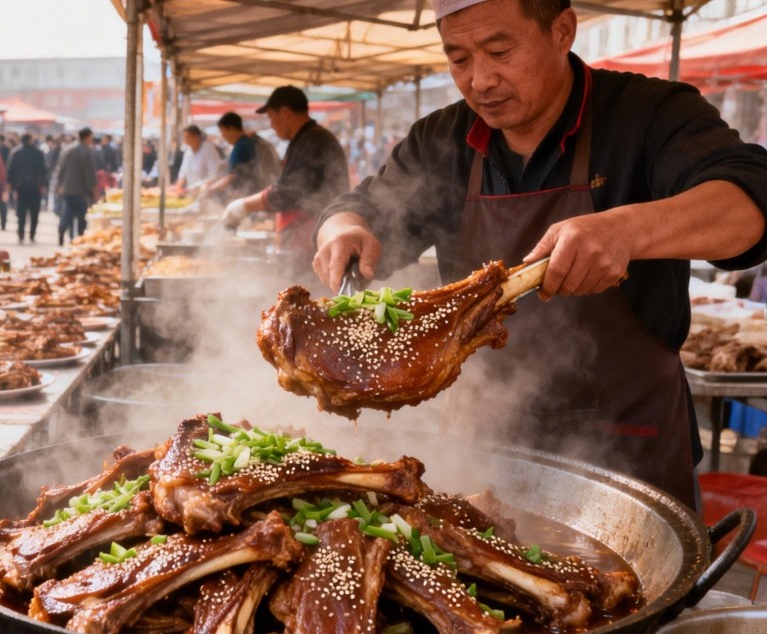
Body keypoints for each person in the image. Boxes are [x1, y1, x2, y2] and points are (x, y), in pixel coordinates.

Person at [312, 0, 767, 508]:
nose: (480, 80)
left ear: (562, 30)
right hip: (482, 445)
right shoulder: (440, 140)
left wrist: (629, 228)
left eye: (500, 51)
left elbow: (751, 199)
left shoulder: (650, 114)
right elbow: (362, 209)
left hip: (627, 452)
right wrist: (344, 227)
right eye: (458, 59)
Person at [221, 86, 349, 260]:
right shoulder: (305, 139)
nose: (271, 124)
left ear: (286, 113)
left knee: (306, 287)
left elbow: (289, 192)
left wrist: (245, 205)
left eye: (272, 116)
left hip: (313, 241)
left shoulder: (313, 141)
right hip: (306, 240)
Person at [203, 112, 280, 199]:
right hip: (250, 193)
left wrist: (210, 189)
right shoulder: (245, 142)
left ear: (231, 128)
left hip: (247, 194)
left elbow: (233, 175)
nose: (223, 136)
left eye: (222, 131)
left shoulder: (241, 145)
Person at [54, 128, 97, 245]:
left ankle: (63, 229)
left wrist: (59, 184)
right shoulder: (85, 151)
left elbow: (59, 168)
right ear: (87, 137)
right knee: (81, 215)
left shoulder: (67, 149)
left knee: (68, 211)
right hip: (80, 189)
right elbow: (88, 172)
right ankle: (80, 237)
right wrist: (92, 187)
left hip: (67, 187)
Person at [7, 134, 48, 243]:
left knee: (21, 212)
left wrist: (11, 185)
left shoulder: (16, 152)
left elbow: (11, 170)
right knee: (34, 213)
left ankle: (21, 234)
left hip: (20, 187)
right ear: (30, 140)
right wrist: (43, 185)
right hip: (35, 187)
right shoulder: (38, 153)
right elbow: (43, 170)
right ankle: (32, 235)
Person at [171, 125, 224, 195]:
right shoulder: (188, 153)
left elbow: (215, 175)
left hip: (207, 194)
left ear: (196, 137)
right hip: (190, 193)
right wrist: (177, 188)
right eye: (184, 137)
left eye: (187, 137)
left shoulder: (208, 150)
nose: (185, 140)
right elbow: (183, 173)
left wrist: (198, 186)